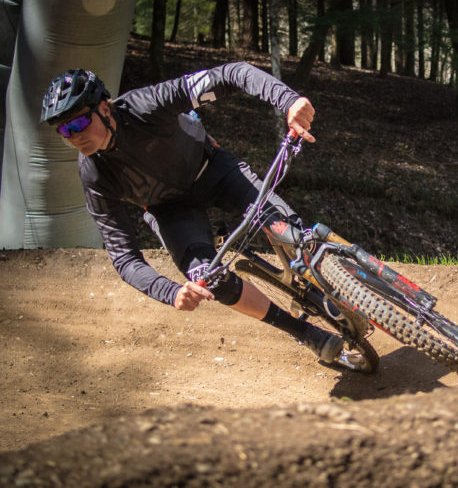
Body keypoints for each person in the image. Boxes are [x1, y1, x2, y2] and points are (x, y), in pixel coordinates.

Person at [39, 63, 344, 363]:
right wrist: (170, 291)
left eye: (78, 123)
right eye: (64, 131)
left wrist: (289, 100)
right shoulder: (94, 176)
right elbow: (124, 257)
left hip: (213, 171)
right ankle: (305, 332)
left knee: (291, 233)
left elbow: (231, 74)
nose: (73, 136)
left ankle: (342, 285)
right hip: (170, 210)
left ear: (104, 108)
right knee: (208, 278)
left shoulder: (144, 105)